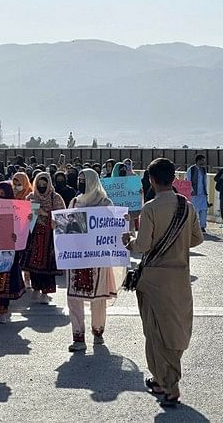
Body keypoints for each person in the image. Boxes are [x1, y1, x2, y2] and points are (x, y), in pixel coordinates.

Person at [123, 158, 203, 407]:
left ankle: (170, 386)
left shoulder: (150, 208)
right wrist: (176, 245)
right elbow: (197, 240)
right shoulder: (186, 206)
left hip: (154, 278)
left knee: (156, 332)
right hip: (179, 278)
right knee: (176, 328)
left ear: (152, 180)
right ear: (173, 179)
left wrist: (128, 240)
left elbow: (143, 246)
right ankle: (161, 379)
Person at [65, 169, 119, 352]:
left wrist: (122, 221)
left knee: (98, 298)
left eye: (83, 180)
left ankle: (98, 332)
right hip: (76, 258)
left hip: (98, 258)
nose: (80, 183)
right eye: (79, 180)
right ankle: (78, 337)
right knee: (73, 297)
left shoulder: (105, 203)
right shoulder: (74, 202)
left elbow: (114, 230)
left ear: (93, 182)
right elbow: (67, 227)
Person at [22, 172, 65, 304]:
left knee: (48, 266)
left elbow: (62, 216)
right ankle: (36, 288)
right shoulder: (30, 197)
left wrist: (45, 213)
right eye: (39, 184)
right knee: (33, 264)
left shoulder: (55, 198)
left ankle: (46, 292)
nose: (42, 187)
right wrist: (28, 216)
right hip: (33, 237)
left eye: (44, 184)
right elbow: (23, 216)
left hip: (49, 237)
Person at [0, 181, 25, 323]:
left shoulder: (16, 208)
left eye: (3, 194)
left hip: (9, 250)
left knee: (6, 280)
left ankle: (3, 310)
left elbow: (21, 229)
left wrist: (28, 219)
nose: (0, 197)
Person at [186, 154, 209, 232]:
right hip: (194, 194)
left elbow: (205, 181)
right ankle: (193, 226)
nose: (203, 162)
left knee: (204, 210)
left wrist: (205, 192)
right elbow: (188, 180)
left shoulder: (203, 170)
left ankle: (202, 226)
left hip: (202, 194)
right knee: (194, 211)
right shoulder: (191, 169)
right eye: (202, 160)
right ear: (198, 160)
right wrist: (191, 190)